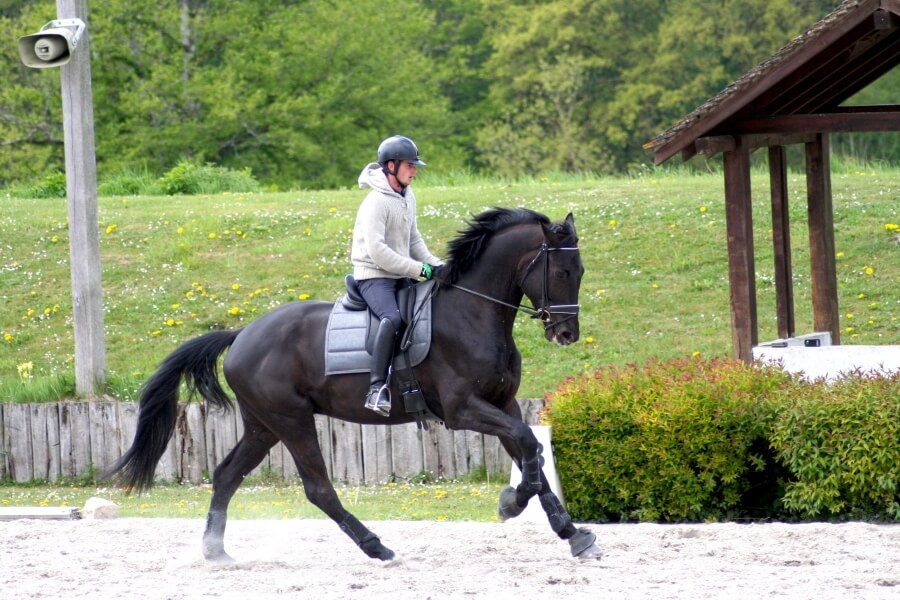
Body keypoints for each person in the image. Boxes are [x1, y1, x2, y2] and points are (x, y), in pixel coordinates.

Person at [351, 135, 443, 416]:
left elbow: (413, 240)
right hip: (373, 276)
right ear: (391, 166)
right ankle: (376, 388)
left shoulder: (407, 196)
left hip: (399, 274)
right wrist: (420, 270)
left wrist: (438, 266)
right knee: (394, 318)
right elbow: (378, 252)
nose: (415, 171)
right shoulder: (376, 202)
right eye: (410, 165)